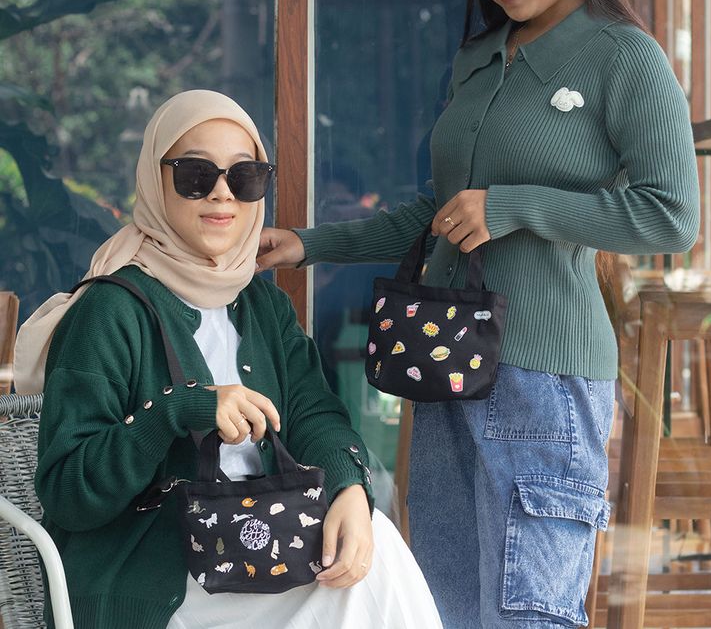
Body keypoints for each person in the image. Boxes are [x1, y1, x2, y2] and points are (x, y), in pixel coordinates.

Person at [255, 0, 701, 627]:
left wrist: (514, 206)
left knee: (529, 612)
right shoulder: (480, 57)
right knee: (444, 606)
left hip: (545, 374)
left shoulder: (624, 56)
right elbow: (442, 213)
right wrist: (309, 244)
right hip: (443, 366)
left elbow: (671, 216)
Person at [14, 90, 443, 629]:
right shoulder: (110, 309)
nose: (222, 193)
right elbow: (68, 492)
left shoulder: (261, 302)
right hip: (154, 576)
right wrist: (179, 409)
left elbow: (315, 414)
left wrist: (349, 488)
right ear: (155, 180)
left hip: (260, 543)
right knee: (358, 596)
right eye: (195, 174)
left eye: (244, 177)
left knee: (375, 546)